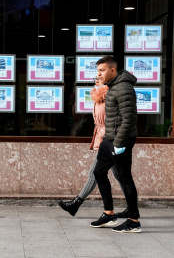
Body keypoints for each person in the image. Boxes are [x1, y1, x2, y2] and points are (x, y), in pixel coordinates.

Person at [58, 77, 125, 217]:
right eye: (95, 78)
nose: (96, 80)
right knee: (119, 175)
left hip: (109, 140)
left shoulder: (109, 96)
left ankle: (77, 204)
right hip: (104, 139)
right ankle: (132, 207)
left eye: (99, 78)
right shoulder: (99, 96)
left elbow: (112, 120)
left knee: (97, 173)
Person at [90, 55, 141, 233]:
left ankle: (133, 221)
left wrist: (119, 144)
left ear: (113, 70)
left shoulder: (124, 88)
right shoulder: (113, 87)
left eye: (102, 70)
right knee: (98, 172)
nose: (99, 74)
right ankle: (109, 213)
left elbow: (129, 119)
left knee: (125, 177)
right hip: (109, 138)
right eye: (98, 70)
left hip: (121, 139)